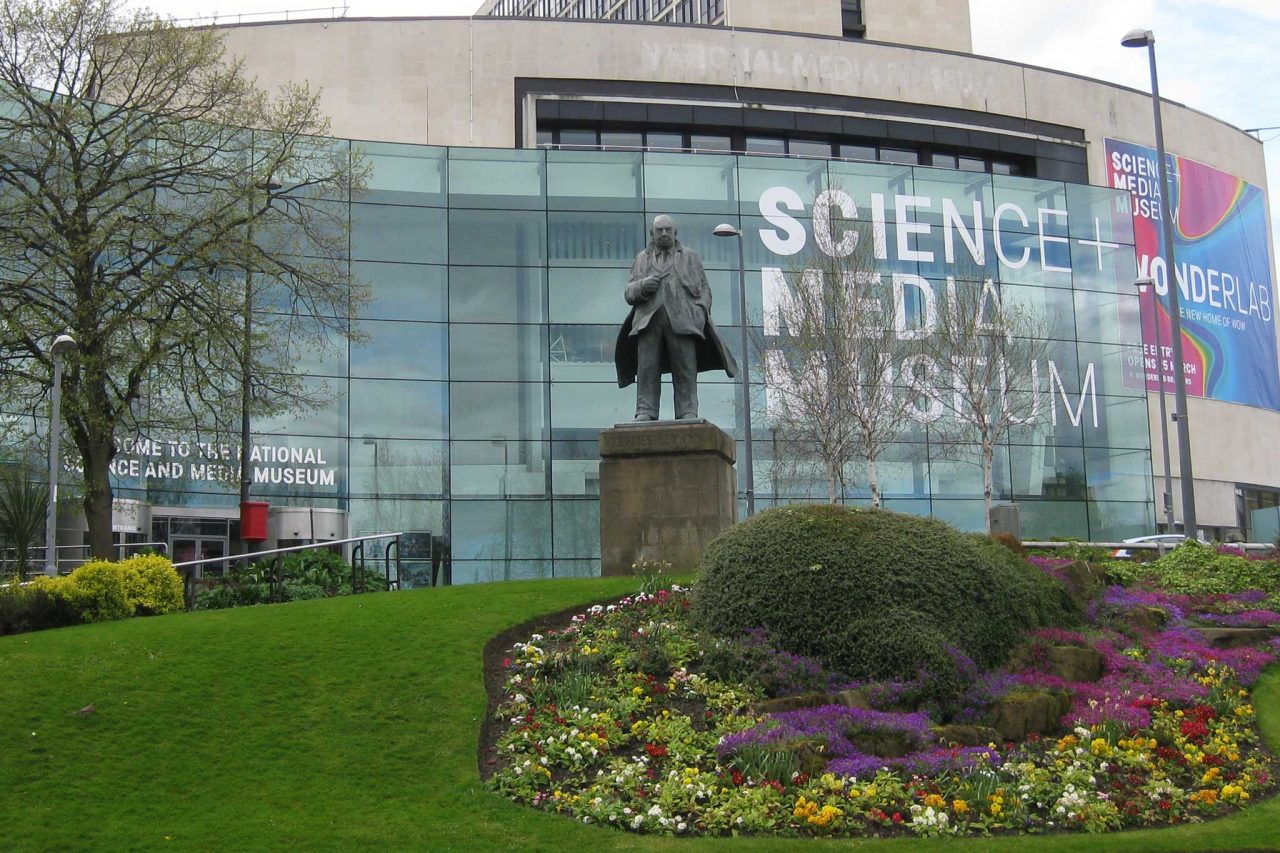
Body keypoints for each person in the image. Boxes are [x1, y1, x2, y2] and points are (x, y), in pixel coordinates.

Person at [614, 214, 737, 421]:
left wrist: (699, 311)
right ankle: (646, 410)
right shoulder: (641, 259)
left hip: (682, 321)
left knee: (686, 368)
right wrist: (643, 286)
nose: (663, 234)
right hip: (648, 322)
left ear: (674, 232)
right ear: (652, 234)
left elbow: (705, 290)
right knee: (647, 368)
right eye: (659, 230)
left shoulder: (690, 257)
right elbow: (629, 292)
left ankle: (687, 410)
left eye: (667, 230)